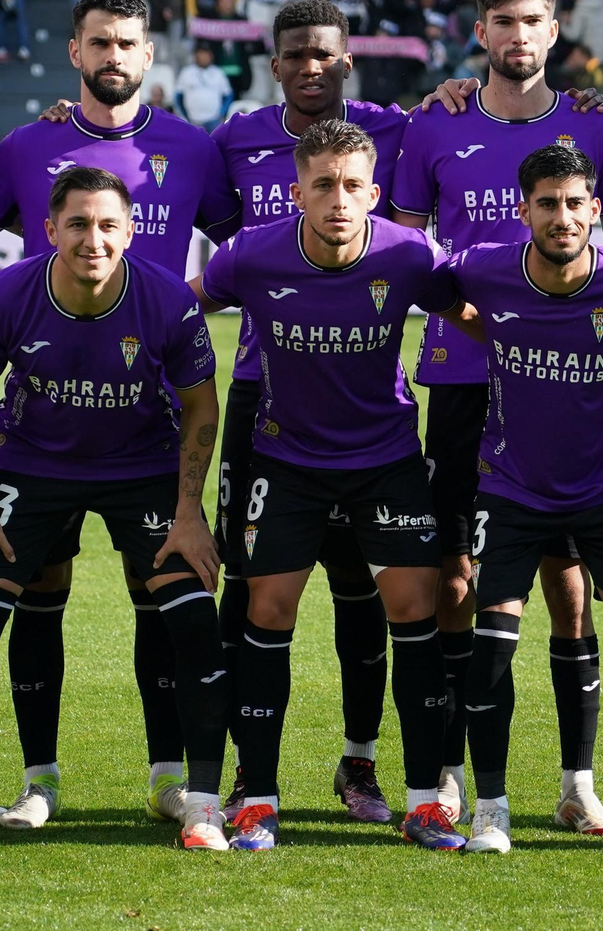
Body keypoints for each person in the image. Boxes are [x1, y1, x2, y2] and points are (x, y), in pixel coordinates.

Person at [0, 0, 240, 829]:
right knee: (36, 589)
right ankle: (39, 780)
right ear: (75, 53)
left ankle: (171, 778)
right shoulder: (27, 146)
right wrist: (12, 312)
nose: (113, 56)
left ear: (149, 54)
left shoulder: (193, 149)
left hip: (153, 431)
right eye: (98, 43)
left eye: (128, 42)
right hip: (43, 423)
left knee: (160, 590)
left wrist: (179, 304)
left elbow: (245, 249)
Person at [392, 0, 603, 835]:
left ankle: (578, 785)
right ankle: (454, 776)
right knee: (460, 581)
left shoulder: (599, 130)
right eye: (503, 20)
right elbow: (408, 258)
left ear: (555, 28)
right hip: (464, 383)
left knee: (571, 592)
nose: (518, 35)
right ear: (481, 31)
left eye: (532, 20)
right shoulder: (432, 127)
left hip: (569, 394)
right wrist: (480, 321)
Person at [192, 118, 478, 851]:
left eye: (353, 186)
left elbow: (473, 313)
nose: (339, 200)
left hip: (385, 459)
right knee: (267, 609)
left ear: (375, 193)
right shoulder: (251, 256)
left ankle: (424, 803)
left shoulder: (410, 254)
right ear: (297, 193)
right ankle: (257, 799)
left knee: (414, 612)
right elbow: (181, 304)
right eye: (323, 185)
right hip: (287, 461)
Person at [0, 164, 230, 851]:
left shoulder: (165, 301)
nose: (91, 239)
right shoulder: (9, 293)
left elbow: (199, 406)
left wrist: (189, 512)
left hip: (142, 467)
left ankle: (201, 803)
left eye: (105, 225)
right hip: (32, 466)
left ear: (129, 231)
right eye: (76, 224)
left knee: (193, 621)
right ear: (49, 230)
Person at [206, 0, 412, 823]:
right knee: (251, 590)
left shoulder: (396, 130)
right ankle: (245, 777)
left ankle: (357, 766)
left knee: (364, 593)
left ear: (347, 59)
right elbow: (217, 265)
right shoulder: (234, 139)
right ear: (275, 62)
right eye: (295, 55)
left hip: (363, 396)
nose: (311, 67)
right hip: (264, 394)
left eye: (324, 54)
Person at [451, 145, 603, 856]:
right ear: (524, 211)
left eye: (576, 202)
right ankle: (491, 808)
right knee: (491, 648)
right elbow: (435, 295)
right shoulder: (484, 269)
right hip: (512, 488)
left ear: (593, 210)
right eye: (547, 203)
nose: (562, 216)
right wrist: (495, 332)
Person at [174, 43, 232, 131]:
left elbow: (228, 95)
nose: (204, 57)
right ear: (196, 55)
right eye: (201, 54)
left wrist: (221, 114)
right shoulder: (186, 73)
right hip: (192, 121)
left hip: (213, 120)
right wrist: (184, 117)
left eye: (206, 54)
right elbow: (178, 97)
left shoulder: (218, 73)